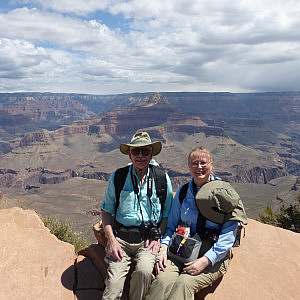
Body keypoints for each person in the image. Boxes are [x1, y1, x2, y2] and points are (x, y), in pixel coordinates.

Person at [146, 147, 247, 300]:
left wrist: (206, 260)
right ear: (189, 166)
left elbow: (228, 236)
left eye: (203, 163)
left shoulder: (225, 193)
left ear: (211, 164)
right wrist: (164, 247)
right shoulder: (184, 191)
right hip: (182, 246)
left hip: (212, 252)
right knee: (161, 281)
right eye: (194, 163)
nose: (199, 167)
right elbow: (171, 225)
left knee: (184, 283)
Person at [100, 131, 173, 300]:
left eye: (145, 151)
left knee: (144, 272)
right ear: (130, 154)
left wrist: (157, 237)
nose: (140, 156)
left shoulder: (162, 178)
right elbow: (106, 210)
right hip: (121, 240)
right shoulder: (118, 177)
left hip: (147, 241)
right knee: (112, 287)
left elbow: (167, 214)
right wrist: (111, 240)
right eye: (136, 151)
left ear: (151, 154)